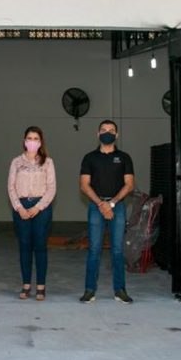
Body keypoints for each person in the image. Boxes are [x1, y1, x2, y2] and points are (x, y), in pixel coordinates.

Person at [79, 120, 135, 304]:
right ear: (98, 134)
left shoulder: (124, 157)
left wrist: (111, 203)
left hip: (117, 206)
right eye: (103, 130)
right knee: (94, 249)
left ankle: (120, 290)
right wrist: (101, 204)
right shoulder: (89, 158)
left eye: (111, 130)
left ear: (116, 135)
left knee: (117, 250)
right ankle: (89, 290)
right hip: (96, 207)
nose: (107, 133)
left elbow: (129, 184)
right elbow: (84, 185)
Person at [7, 126, 56, 301]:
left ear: (40, 142)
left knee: (40, 246)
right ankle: (26, 284)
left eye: (36, 139)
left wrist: (38, 207)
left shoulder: (48, 162)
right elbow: (11, 186)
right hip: (21, 206)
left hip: (41, 207)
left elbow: (51, 188)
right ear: (24, 141)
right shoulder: (16, 162)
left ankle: (41, 286)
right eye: (29, 138)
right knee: (24, 246)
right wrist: (19, 207)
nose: (32, 141)